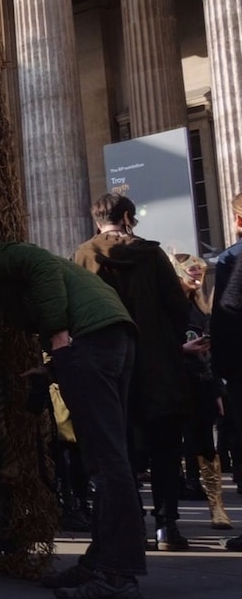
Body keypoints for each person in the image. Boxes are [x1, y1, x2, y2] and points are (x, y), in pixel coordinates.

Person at [0, 242, 145, 599]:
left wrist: (58, 334)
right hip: (110, 338)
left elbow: (41, 268)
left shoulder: (1, 258)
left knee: (107, 464)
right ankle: (100, 564)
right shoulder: (3, 281)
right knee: (108, 458)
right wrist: (52, 366)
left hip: (90, 339)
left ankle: (117, 577)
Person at [72, 193, 192, 551]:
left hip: (108, 366)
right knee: (165, 449)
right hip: (157, 366)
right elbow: (178, 308)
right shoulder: (152, 255)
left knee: (118, 448)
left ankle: (131, 525)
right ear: (127, 217)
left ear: (98, 221)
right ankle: (167, 527)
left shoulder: (82, 256)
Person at [174, 253, 232, 530]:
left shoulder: (200, 309)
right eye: (192, 273)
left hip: (202, 383)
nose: (197, 277)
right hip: (175, 383)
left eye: (199, 274)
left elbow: (212, 355)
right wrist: (180, 350)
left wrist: (217, 389)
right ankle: (170, 517)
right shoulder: (168, 309)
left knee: (207, 445)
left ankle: (217, 507)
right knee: (177, 443)